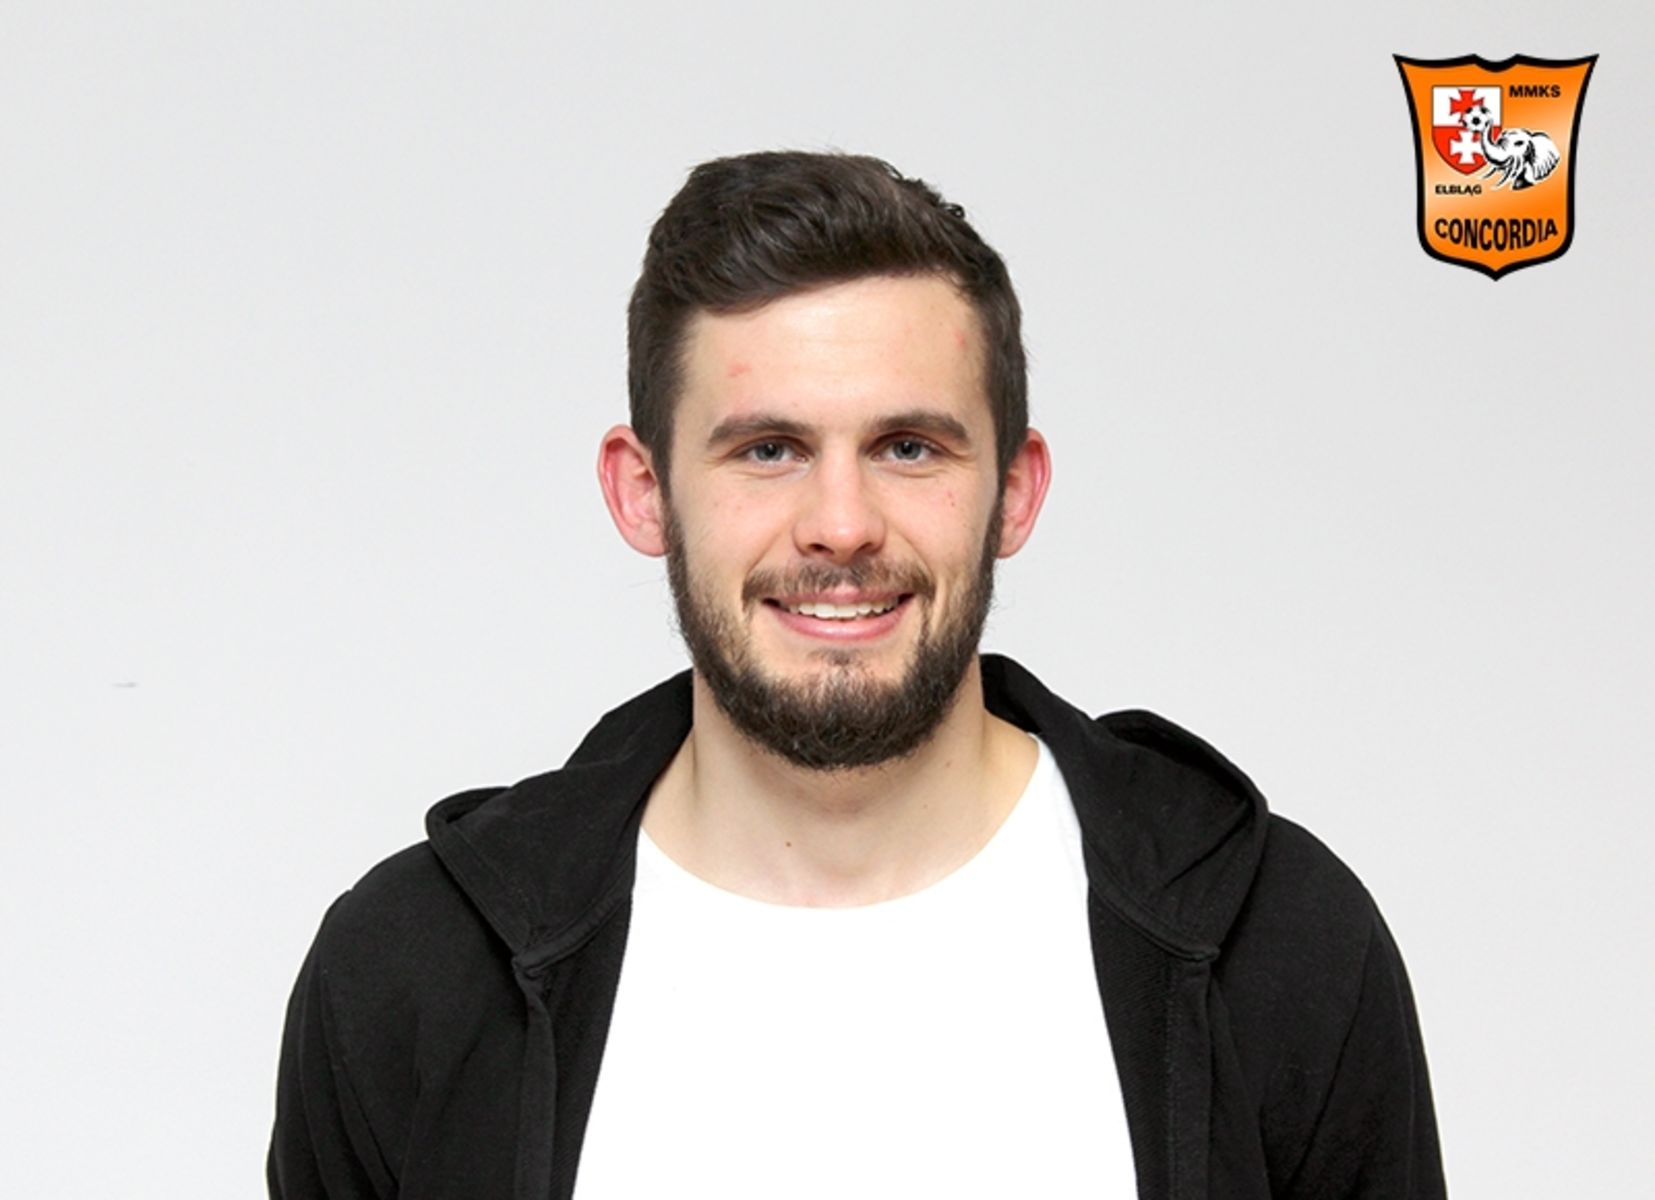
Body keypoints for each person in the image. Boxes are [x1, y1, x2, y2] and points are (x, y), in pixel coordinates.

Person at [269, 151, 1446, 1200]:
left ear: (1014, 492)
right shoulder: (410, 972)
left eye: (907, 447)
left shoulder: (1279, 946)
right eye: (768, 449)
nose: (840, 525)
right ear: (643, 492)